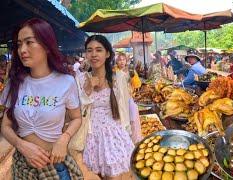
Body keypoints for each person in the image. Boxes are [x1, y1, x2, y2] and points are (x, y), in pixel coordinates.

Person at [0, 18, 83, 179]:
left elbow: (76, 118)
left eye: (29, 42)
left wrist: (64, 139)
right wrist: (21, 145)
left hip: (55, 166)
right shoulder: (15, 83)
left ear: (46, 45)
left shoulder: (66, 82)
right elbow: (5, 126)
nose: (22, 49)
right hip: (23, 167)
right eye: (19, 44)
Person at [79, 35, 139, 179]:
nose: (93, 54)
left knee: (114, 177)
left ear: (107, 54)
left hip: (113, 136)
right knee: (97, 175)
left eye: (99, 50)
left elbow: (125, 107)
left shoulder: (118, 78)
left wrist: (129, 132)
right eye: (89, 50)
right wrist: (87, 91)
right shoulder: (80, 79)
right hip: (90, 137)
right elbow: (76, 113)